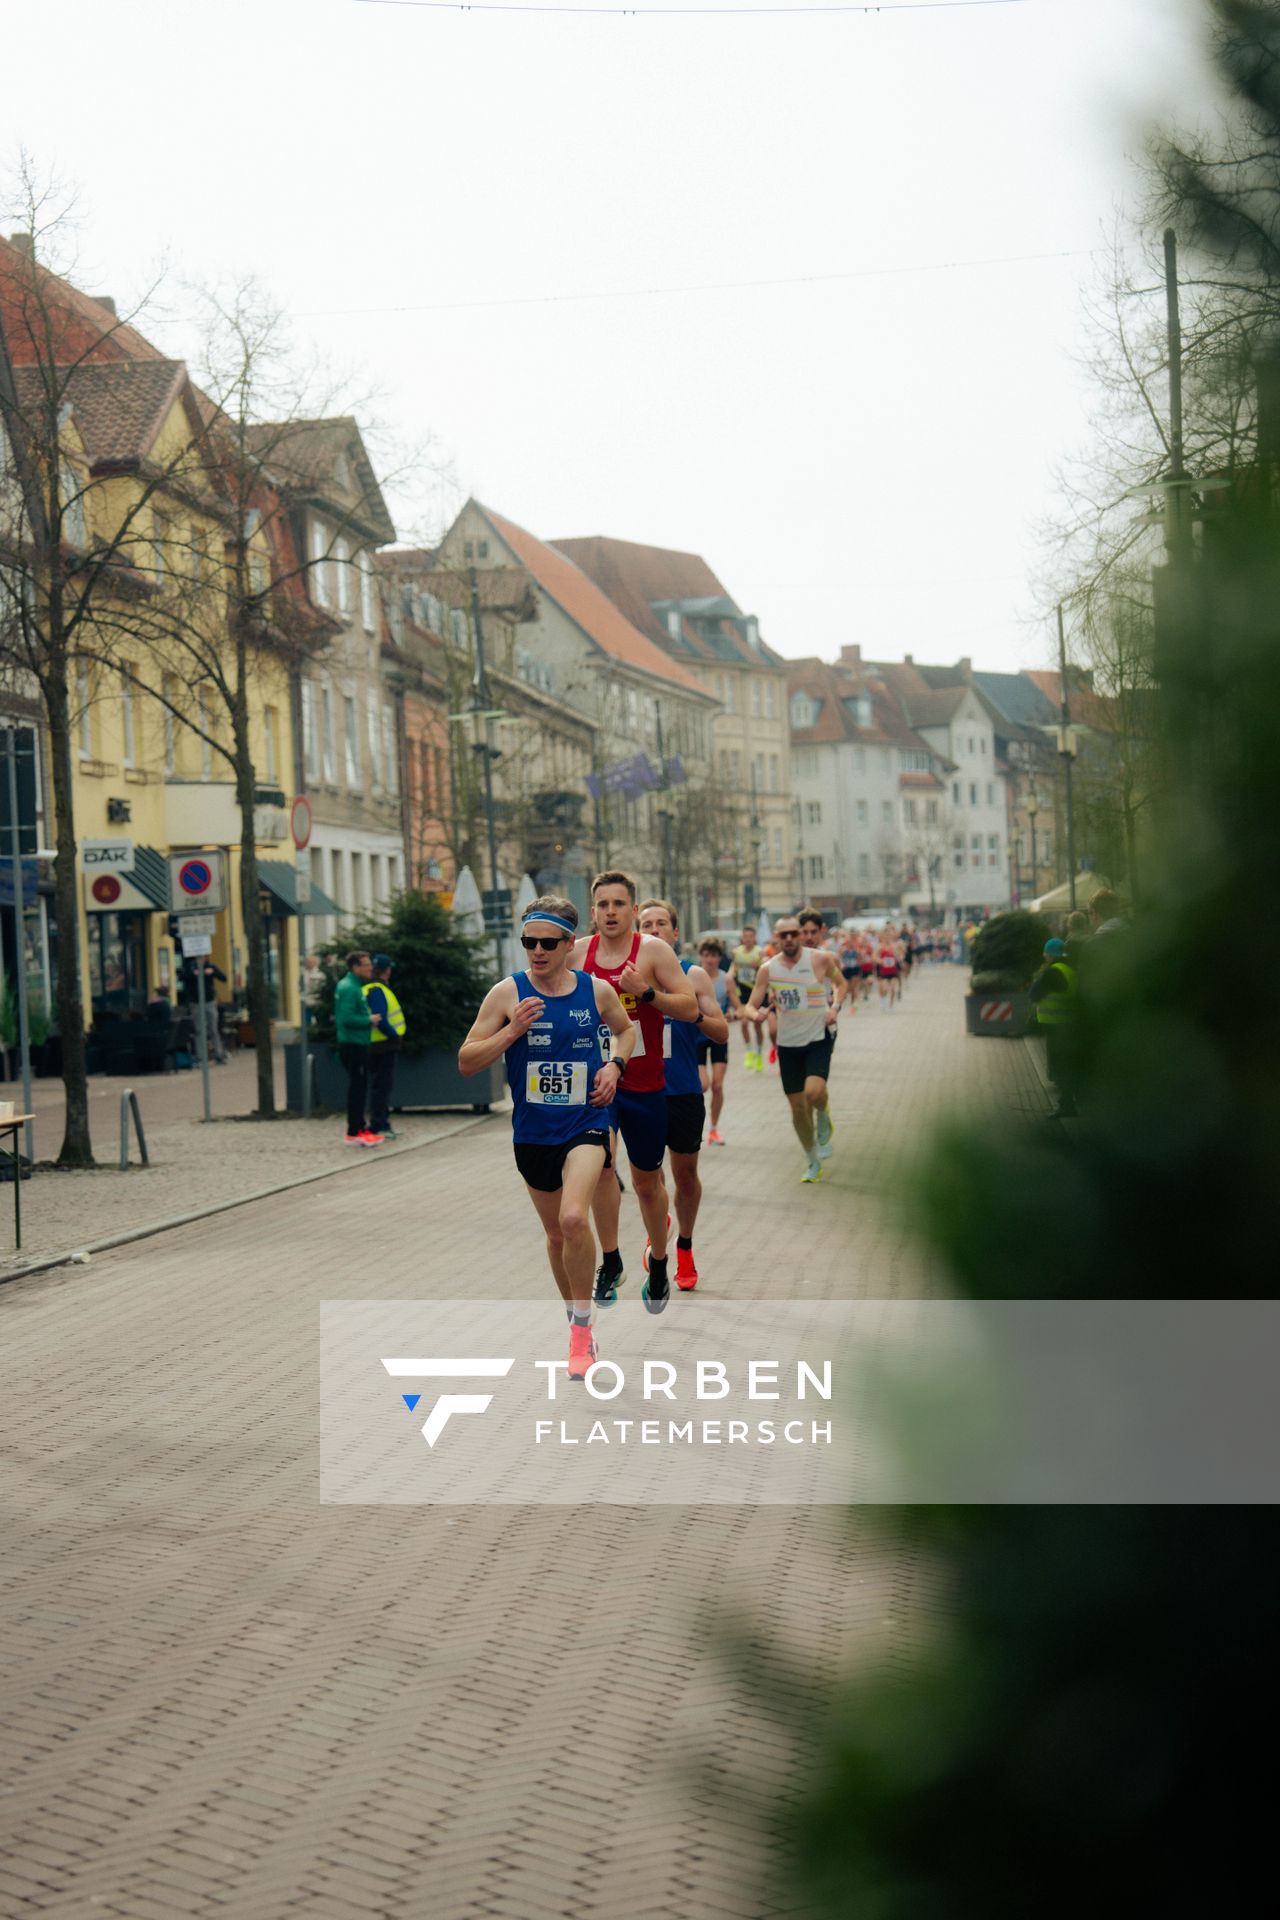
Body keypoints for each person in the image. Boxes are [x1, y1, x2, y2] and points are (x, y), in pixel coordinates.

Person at [459, 896, 634, 1380]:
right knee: (556, 1235)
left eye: (548, 943)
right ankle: (577, 1319)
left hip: (586, 1121)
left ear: (568, 944)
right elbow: (468, 1060)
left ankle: (581, 1335)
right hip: (533, 1133)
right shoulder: (506, 994)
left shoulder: (595, 991)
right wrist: (511, 1031)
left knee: (575, 1218)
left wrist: (615, 1067)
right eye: (529, 942)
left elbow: (626, 1031)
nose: (537, 951)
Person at [574, 870, 697, 1314]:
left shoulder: (652, 951)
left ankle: (660, 1262)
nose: (610, 912)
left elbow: (689, 1006)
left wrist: (646, 993)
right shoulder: (577, 955)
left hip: (646, 1085)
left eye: (619, 904)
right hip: (597, 1086)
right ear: (593, 912)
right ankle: (610, 1260)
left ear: (633, 908)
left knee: (647, 1183)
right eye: (602, 905)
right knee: (602, 1168)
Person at [637, 900, 730, 1291]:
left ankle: (686, 1246)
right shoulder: (622, 978)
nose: (655, 930)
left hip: (683, 1092)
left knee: (685, 1175)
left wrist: (692, 1014)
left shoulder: (693, 977)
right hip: (640, 1091)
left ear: (675, 934)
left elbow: (721, 1032)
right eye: (647, 924)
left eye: (662, 924)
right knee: (648, 1177)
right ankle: (659, 1231)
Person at [746, 914, 842, 1184]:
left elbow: (841, 983)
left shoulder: (820, 959)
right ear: (776, 938)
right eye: (783, 935)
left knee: (813, 1092)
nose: (788, 939)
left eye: (793, 934)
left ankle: (824, 1115)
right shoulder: (768, 968)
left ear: (800, 934)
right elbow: (750, 1004)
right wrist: (756, 1015)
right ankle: (812, 1160)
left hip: (817, 1038)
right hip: (788, 1045)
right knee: (798, 1109)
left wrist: (835, 1007)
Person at [336, 950, 384, 1146]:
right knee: (357, 1088)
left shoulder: (352, 985)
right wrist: (369, 1020)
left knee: (360, 1086)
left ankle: (358, 1128)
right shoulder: (350, 988)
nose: (370, 968)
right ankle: (354, 1131)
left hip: (357, 1042)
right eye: (366, 965)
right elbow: (346, 1018)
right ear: (355, 967)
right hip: (353, 1043)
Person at [1028, 935, 1078, 1118]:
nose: (1043, 955)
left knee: (1061, 1065)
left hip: (1055, 1025)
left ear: (1049, 954)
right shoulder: (1070, 968)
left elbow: (1033, 994)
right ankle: (1071, 1101)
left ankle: (1066, 1106)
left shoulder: (1053, 972)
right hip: (1070, 1021)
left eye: (1045, 952)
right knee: (1068, 1063)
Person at [692, 936, 733, 1143]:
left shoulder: (726, 979)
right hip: (697, 1036)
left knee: (717, 1086)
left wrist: (738, 1012)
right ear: (700, 956)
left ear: (719, 957)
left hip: (717, 1036)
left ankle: (714, 1129)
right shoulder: (691, 976)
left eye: (714, 955)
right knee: (702, 1085)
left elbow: (737, 1004)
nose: (710, 959)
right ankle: (695, 1125)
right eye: (706, 955)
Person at [364, 953, 405, 1139]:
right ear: (386, 970)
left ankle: (380, 1123)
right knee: (381, 1087)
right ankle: (379, 1125)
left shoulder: (369, 988)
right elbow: (379, 1018)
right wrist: (394, 1035)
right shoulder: (377, 989)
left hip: (377, 1044)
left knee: (379, 1087)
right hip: (383, 1045)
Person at [732, 923, 768, 1070]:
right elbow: (733, 970)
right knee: (744, 1023)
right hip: (743, 992)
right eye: (745, 937)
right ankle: (749, 1051)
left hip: (756, 993)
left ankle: (759, 1054)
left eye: (750, 937)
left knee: (757, 1025)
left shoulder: (759, 952)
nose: (748, 939)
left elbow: (765, 969)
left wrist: (758, 966)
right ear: (742, 938)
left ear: (754, 938)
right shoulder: (737, 952)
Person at [183, 955, 229, 1062]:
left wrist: (213, 972)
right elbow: (183, 977)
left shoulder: (211, 966)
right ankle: (200, 1056)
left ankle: (218, 1054)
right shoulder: (190, 967)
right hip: (196, 1002)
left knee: (213, 1029)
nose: (201, 959)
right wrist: (194, 974)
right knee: (199, 1030)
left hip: (209, 1001)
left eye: (203, 957)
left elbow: (224, 978)